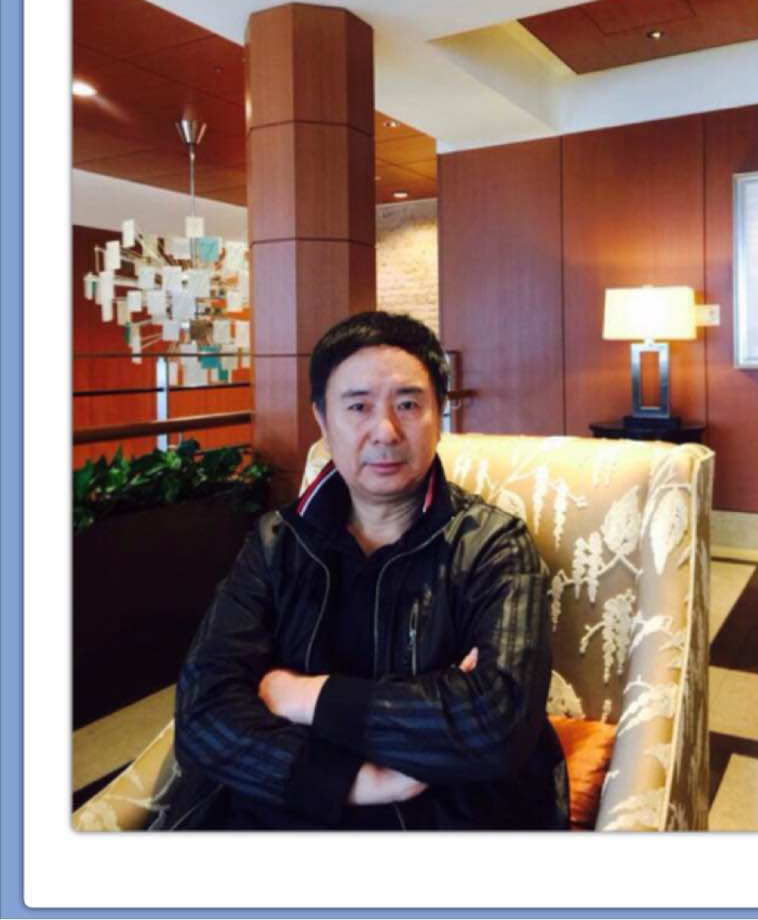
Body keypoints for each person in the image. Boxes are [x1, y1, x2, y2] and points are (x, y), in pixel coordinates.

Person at [159, 311, 567, 830]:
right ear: (322, 420)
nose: (385, 431)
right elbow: (203, 713)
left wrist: (301, 696)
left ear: (439, 414)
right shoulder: (276, 544)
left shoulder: (492, 546)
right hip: (286, 815)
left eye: (408, 405)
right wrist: (353, 780)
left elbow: (496, 725)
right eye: (358, 406)